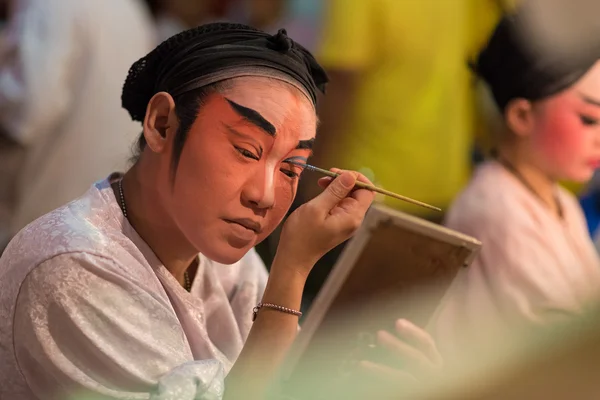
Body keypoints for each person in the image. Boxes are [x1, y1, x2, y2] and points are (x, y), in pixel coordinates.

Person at [0, 23, 441, 400]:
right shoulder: (72, 266)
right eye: (247, 151)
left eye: (292, 168)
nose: (265, 195)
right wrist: (291, 272)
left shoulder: (233, 267)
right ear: (162, 124)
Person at [430, 10, 600, 363]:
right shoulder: (496, 211)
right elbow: (566, 346)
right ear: (522, 116)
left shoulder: (560, 201)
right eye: (589, 119)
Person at [0, 0, 155, 249]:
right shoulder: (129, 7)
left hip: (50, 210)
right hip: (110, 209)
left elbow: (31, 110)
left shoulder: (48, 5)